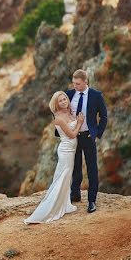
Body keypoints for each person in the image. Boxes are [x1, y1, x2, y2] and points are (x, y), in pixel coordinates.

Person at [24, 91, 84, 224]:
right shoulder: (58, 118)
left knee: (66, 177)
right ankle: (51, 208)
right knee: (63, 176)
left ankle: (64, 204)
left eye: (64, 99)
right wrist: (79, 122)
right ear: (56, 104)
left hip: (71, 150)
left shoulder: (68, 113)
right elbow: (72, 135)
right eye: (60, 101)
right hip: (66, 150)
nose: (63, 102)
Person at [61, 69, 108, 213]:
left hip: (88, 136)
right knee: (75, 166)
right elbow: (57, 109)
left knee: (92, 168)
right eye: (73, 83)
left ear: (85, 82)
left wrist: (96, 134)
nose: (75, 86)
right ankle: (75, 194)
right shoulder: (68, 95)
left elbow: (104, 117)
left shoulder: (96, 96)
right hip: (73, 136)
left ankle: (92, 201)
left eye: (78, 84)